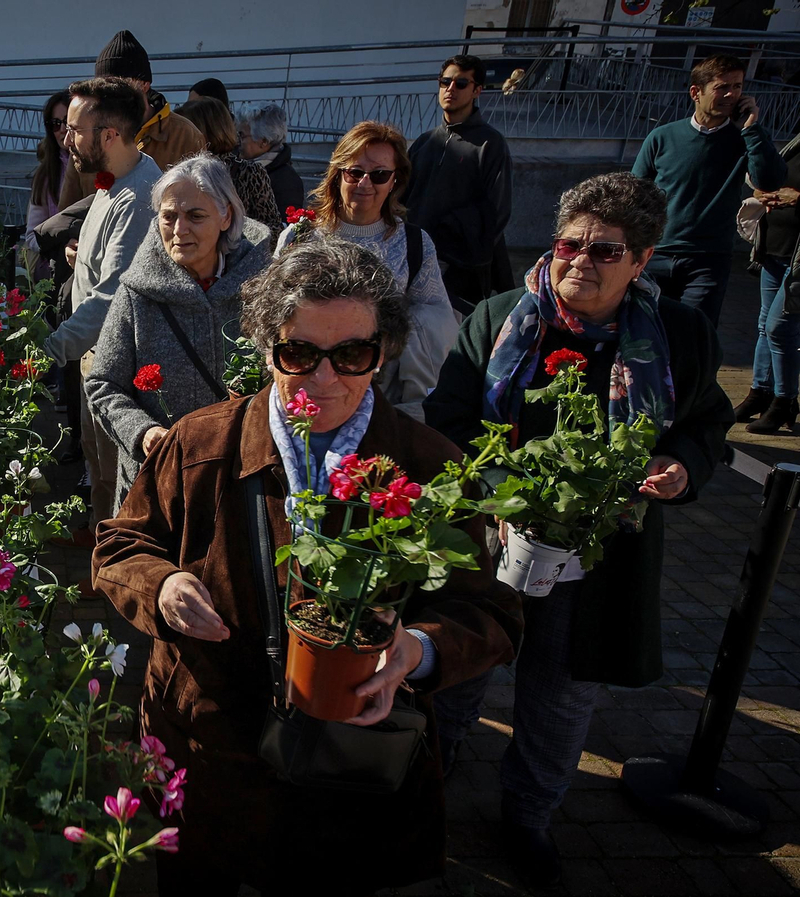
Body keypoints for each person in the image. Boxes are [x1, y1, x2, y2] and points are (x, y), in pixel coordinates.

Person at [93, 238, 522, 895]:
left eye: (352, 355)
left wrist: (417, 649)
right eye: (299, 353)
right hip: (214, 745)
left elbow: (488, 611)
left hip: (347, 759)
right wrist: (164, 583)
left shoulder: (429, 466)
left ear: (382, 351)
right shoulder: (200, 442)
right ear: (268, 348)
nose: (324, 378)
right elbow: (121, 547)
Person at [423, 173, 733, 887]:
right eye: (569, 245)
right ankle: (433, 777)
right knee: (458, 666)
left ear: (642, 260)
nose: (579, 262)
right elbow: (449, 417)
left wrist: (681, 465)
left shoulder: (679, 334)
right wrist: (497, 494)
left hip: (601, 554)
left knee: (560, 692)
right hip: (490, 537)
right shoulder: (500, 317)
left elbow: (707, 421)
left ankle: (529, 815)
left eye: (604, 251)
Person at [85, 154, 275, 508]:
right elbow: (102, 384)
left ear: (226, 217)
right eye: (169, 216)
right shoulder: (138, 292)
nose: (179, 229)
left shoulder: (262, 286)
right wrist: (142, 431)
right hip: (158, 486)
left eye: (195, 216)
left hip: (241, 482)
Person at [276, 121, 456, 420]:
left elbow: (434, 321)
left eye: (379, 175)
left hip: (383, 397)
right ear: (337, 174)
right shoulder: (299, 236)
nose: (364, 184)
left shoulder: (414, 244)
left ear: (395, 180)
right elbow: (274, 314)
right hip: (310, 389)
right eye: (355, 173)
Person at [45, 77, 162, 530]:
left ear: (110, 135)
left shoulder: (137, 198)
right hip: (94, 358)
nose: (66, 139)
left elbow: (112, 298)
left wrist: (49, 351)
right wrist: (82, 255)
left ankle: (113, 561)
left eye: (75, 129)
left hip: (114, 366)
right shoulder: (114, 182)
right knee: (99, 473)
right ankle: (99, 547)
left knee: (118, 487)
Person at [633, 53, 786, 328]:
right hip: (656, 254)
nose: (731, 94)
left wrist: (751, 128)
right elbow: (635, 194)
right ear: (696, 92)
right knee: (646, 329)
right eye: (722, 87)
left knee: (694, 333)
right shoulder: (663, 137)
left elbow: (770, 182)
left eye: (737, 86)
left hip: (708, 259)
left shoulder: (746, 138)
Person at [401, 54, 513, 311]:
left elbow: (498, 212)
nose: (450, 89)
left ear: (477, 91)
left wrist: (455, 259)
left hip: (460, 273)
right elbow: (400, 199)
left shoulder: (490, 145)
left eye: (461, 83)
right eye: (445, 82)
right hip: (413, 263)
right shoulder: (424, 143)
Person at [56, 30, 205, 210]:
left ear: (144, 85)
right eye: (103, 85)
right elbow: (67, 210)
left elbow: (200, 206)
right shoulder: (87, 135)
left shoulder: (184, 135)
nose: (109, 93)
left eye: (119, 84)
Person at [736, 133, 800, 432]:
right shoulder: (796, 142)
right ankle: (760, 392)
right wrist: (763, 192)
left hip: (797, 260)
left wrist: (796, 197)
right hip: (774, 249)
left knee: (779, 328)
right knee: (764, 326)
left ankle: (785, 400)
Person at [174, 97, 280, 227]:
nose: (177, 137)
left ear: (206, 133)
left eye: (184, 131)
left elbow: (273, 226)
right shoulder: (177, 171)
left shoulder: (248, 172)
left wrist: (239, 236)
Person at [26, 89, 74, 281]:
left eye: (67, 122)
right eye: (55, 124)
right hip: (58, 267)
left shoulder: (98, 166)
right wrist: (60, 247)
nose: (62, 129)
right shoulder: (46, 174)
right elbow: (32, 235)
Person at [237, 103, 303, 224]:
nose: (237, 141)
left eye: (242, 136)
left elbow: (284, 228)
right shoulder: (242, 167)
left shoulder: (286, 181)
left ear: (264, 141)